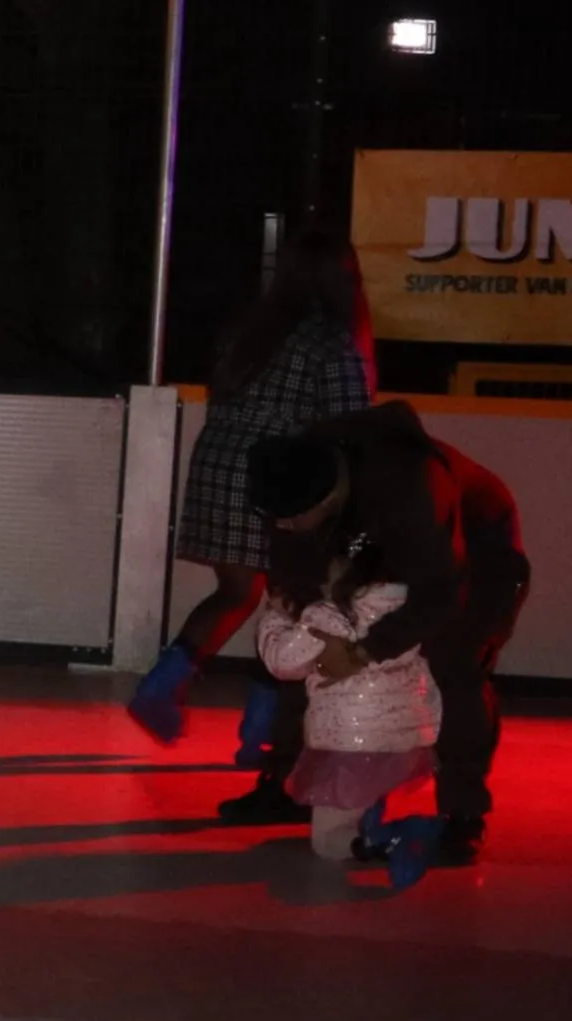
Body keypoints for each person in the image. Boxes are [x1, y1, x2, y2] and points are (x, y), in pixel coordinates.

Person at [244, 411, 525, 865]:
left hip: (476, 544)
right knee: (315, 639)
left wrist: (363, 651)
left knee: (455, 662)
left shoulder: (409, 482)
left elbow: (439, 594)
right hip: (379, 538)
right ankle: (294, 783)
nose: (280, 530)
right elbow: (294, 579)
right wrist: (290, 615)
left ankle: (461, 814)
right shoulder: (295, 469)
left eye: (291, 519)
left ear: (328, 499)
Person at [133, 236, 373, 764]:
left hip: (220, 460)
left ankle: (164, 681)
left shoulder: (251, 330)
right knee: (291, 602)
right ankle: (261, 732)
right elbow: (353, 423)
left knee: (236, 591)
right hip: (284, 475)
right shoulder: (330, 341)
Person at [252, 558, 445, 890]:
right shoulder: (405, 611)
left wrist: (274, 618)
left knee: (327, 842)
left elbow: (284, 663)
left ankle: (388, 840)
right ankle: (370, 823)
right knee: (366, 792)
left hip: (349, 740)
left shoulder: (328, 616)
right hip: (404, 737)